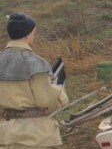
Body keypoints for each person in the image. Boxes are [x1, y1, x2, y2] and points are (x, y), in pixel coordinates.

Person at [0, 13, 69, 148]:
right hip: (34, 136)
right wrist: (60, 91)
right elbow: (47, 101)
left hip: (4, 133)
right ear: (27, 35)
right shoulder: (36, 63)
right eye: (33, 32)